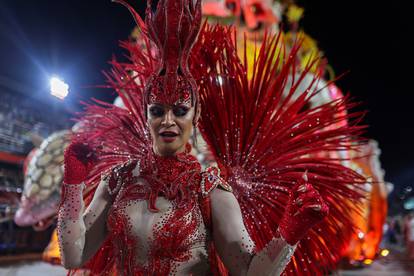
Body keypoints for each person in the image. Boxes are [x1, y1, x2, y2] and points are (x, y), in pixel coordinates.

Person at [57, 0, 366, 275]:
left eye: (179, 110)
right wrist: (73, 186)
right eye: (157, 111)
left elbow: (248, 271)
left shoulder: (211, 191)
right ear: (145, 114)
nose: (168, 121)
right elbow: (74, 256)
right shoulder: (117, 181)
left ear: (196, 114)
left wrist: (288, 234)